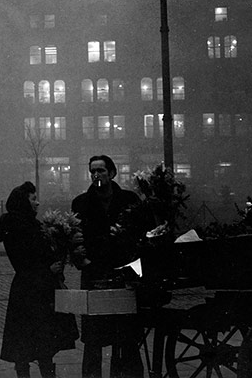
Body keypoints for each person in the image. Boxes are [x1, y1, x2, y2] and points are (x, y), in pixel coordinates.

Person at [71, 155, 146, 378]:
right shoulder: (81, 203)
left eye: (101, 171)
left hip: (124, 274)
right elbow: (75, 237)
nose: (96, 175)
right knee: (94, 339)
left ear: (112, 173)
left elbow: (141, 233)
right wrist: (80, 259)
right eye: (93, 171)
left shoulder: (129, 199)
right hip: (94, 275)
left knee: (126, 337)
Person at [0, 181, 78, 378]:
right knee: (42, 344)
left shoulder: (22, 224)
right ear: (24, 202)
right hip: (34, 290)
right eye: (33, 199)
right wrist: (48, 268)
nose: (37, 203)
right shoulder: (23, 226)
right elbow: (25, 259)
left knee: (26, 345)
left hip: (27, 289)